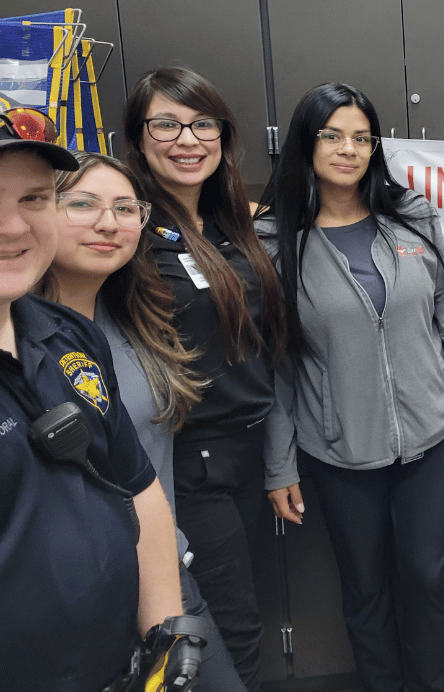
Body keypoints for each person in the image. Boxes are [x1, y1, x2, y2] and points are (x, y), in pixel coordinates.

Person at [259, 82, 444, 692]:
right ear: (305, 143)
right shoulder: (275, 239)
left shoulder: (409, 215)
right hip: (339, 448)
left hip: (431, 436)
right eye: (332, 135)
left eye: (362, 137)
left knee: (427, 577)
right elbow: (277, 366)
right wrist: (279, 465)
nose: (348, 149)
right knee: (364, 589)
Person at [40, 150, 247, 691]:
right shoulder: (19, 335)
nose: (109, 223)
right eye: (82, 204)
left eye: (126, 208)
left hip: (162, 573)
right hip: (73, 597)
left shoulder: (137, 315)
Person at [0, 110, 183, 689]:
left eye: (32, 198)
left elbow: (137, 484)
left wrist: (165, 641)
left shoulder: (68, 335)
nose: (12, 226)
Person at [122, 66, 286, 692]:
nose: (187, 139)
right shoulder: (131, 230)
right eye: (166, 124)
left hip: (246, 455)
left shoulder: (231, 226)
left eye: (201, 124)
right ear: (138, 138)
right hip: (187, 463)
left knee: (239, 622)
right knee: (217, 633)